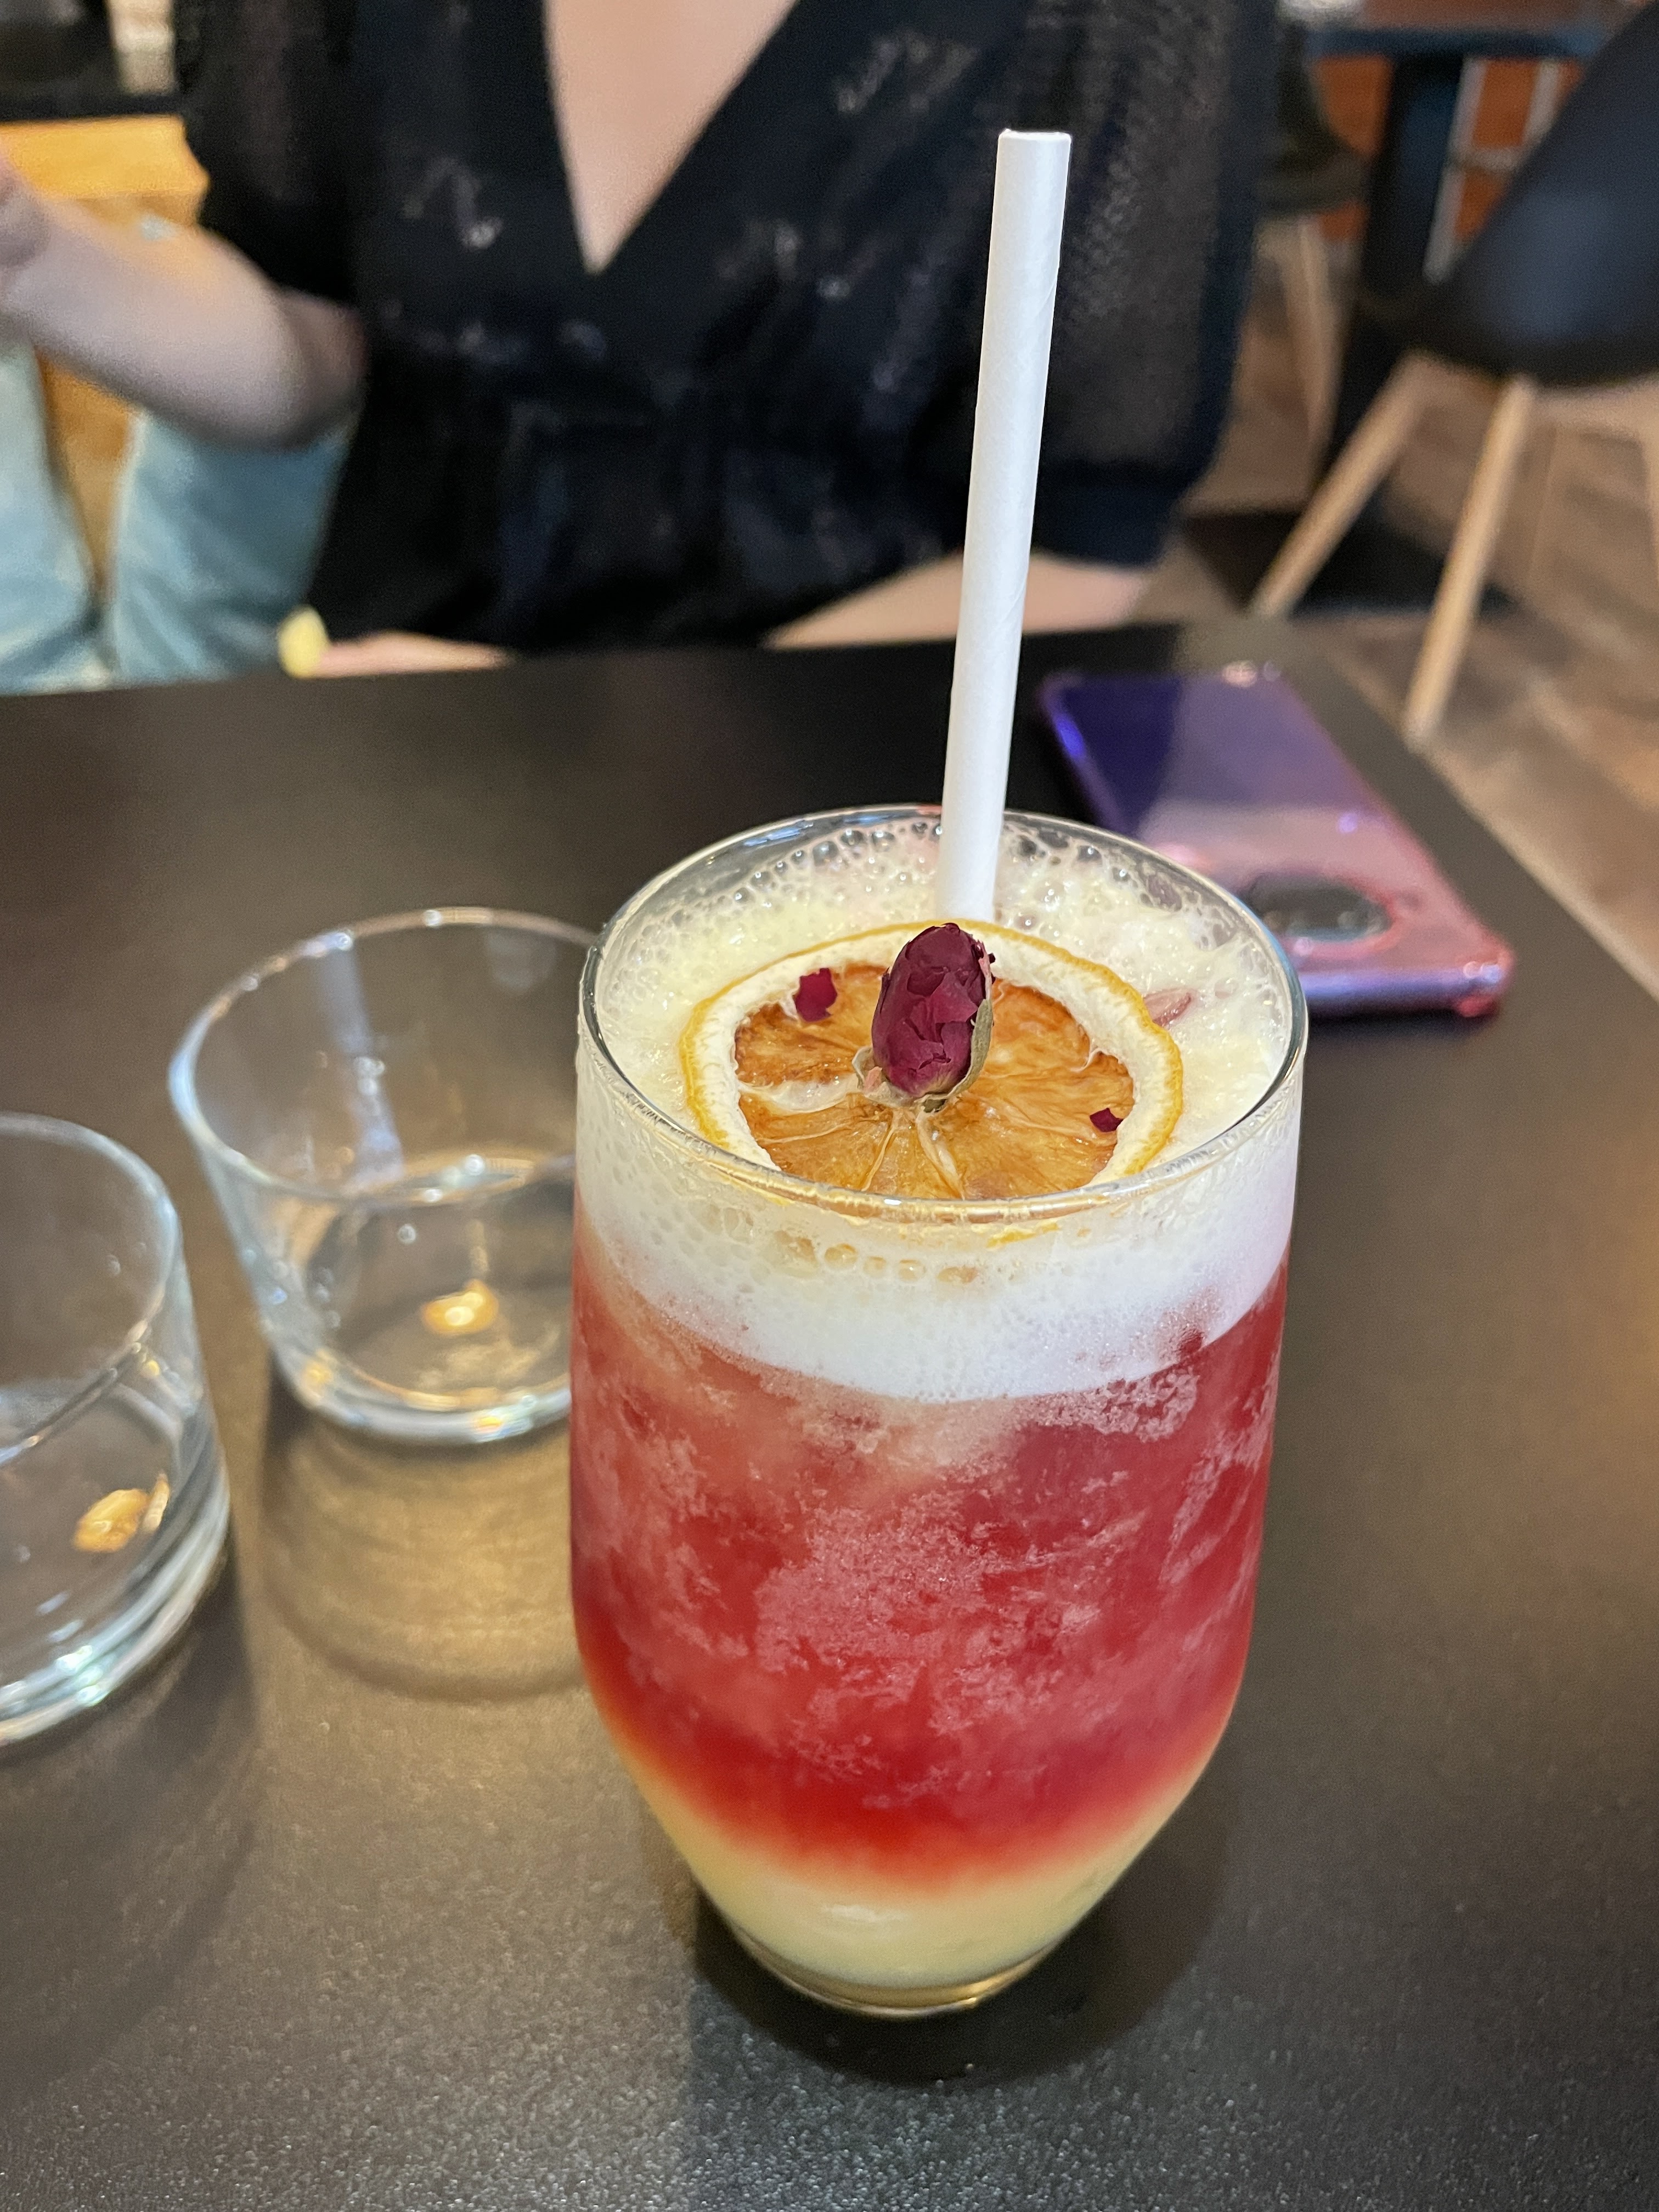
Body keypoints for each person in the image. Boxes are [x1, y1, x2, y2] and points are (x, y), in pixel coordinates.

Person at [0, 0, 1273, 678]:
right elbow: (306, 351)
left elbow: (1077, 551)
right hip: (405, 754)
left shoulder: (1121, 26)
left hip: (846, 788)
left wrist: (561, 725)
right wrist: (34, 255)